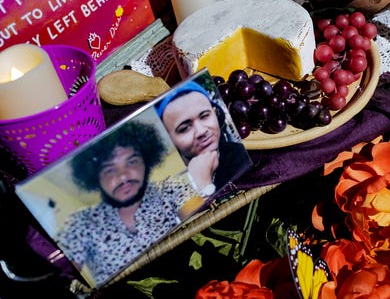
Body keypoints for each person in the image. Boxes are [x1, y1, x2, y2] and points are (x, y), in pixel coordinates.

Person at [56, 121, 203, 286]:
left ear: (146, 162)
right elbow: (59, 278)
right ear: (95, 177)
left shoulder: (170, 188)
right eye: (110, 170)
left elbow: (204, 219)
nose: (123, 176)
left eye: (131, 162)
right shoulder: (81, 222)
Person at [156, 80, 252, 200]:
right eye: (185, 128)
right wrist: (200, 185)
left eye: (205, 116)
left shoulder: (239, 157)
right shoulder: (166, 187)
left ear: (215, 114)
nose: (201, 131)